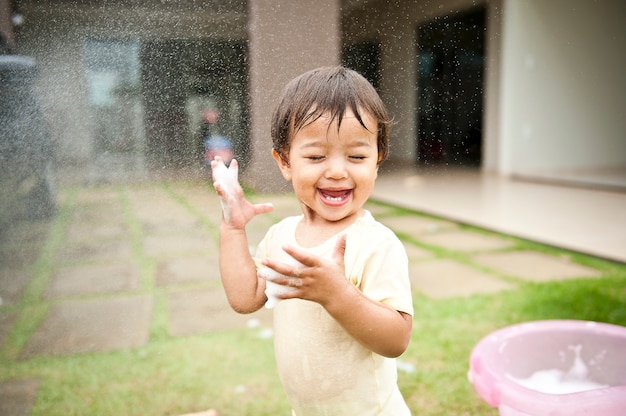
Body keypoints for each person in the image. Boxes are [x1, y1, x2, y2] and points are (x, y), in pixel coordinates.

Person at [211, 66, 414, 415]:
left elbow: (396, 340)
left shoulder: (376, 243)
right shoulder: (282, 237)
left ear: (377, 161)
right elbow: (245, 299)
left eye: (357, 156)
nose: (337, 171)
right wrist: (232, 230)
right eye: (317, 156)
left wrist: (336, 294)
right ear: (285, 161)